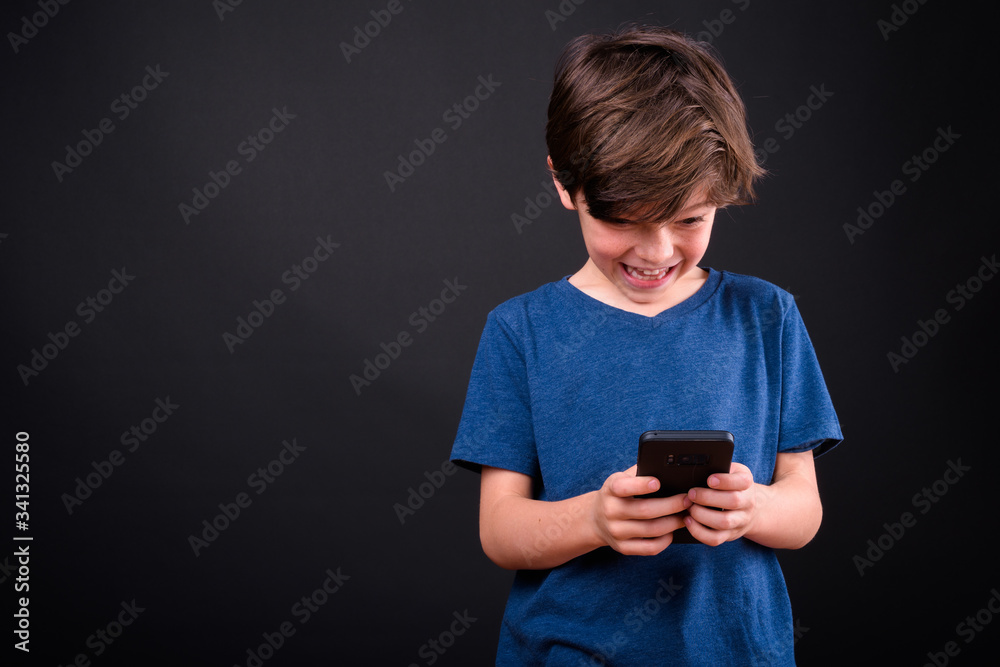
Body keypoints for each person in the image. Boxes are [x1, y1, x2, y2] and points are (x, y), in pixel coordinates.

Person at [451, 25, 842, 666]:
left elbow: (804, 510)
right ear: (564, 183)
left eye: (690, 219)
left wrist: (752, 508)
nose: (657, 252)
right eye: (624, 219)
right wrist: (593, 521)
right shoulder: (520, 331)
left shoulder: (767, 317)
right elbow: (500, 530)